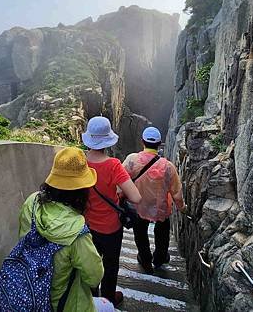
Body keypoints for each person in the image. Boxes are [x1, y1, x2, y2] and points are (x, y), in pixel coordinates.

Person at [18, 147, 115, 312]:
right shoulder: (76, 231)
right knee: (108, 306)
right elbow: (94, 277)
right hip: (65, 304)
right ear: (82, 190)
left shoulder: (32, 202)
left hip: (28, 294)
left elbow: (22, 238)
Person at [82, 116, 142, 307]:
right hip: (110, 228)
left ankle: (91, 299)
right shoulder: (113, 165)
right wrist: (117, 190)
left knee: (90, 265)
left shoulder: (81, 163)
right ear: (108, 140)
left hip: (85, 227)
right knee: (110, 265)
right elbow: (136, 197)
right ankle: (107, 301)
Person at [123, 126, 186, 273]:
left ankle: (145, 259)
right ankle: (160, 257)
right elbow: (176, 193)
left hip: (138, 206)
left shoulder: (131, 160)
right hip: (160, 207)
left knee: (140, 233)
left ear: (142, 142)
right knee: (162, 232)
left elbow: (121, 181)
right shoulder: (168, 167)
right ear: (159, 144)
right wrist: (182, 208)